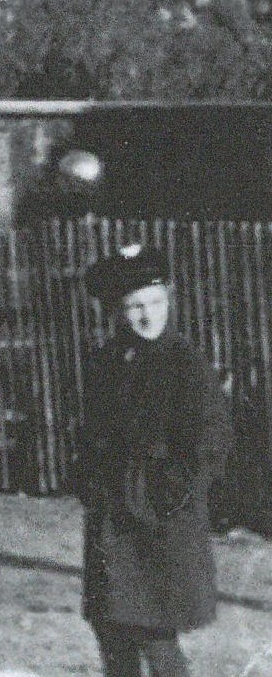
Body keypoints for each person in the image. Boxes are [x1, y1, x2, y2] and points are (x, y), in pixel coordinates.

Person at [78, 243, 230, 677]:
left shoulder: (184, 363)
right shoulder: (107, 361)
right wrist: (89, 480)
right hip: (112, 519)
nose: (148, 316)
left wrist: (169, 493)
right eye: (135, 306)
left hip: (160, 521)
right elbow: (92, 432)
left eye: (157, 303)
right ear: (115, 312)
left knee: (155, 636)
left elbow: (212, 440)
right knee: (110, 632)